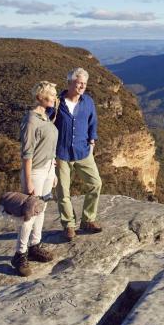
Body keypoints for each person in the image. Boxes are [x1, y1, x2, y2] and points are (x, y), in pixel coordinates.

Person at [50, 67, 102, 241]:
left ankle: (88, 220)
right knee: (63, 192)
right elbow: (46, 125)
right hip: (62, 153)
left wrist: (92, 142)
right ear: (69, 82)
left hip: (83, 151)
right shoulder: (57, 103)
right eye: (79, 83)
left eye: (84, 83)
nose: (82, 86)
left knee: (95, 184)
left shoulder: (88, 102)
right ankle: (69, 225)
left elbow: (92, 122)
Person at [12, 81, 58, 277]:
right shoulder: (31, 120)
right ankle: (20, 254)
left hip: (47, 169)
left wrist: (53, 171)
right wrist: (28, 179)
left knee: (42, 209)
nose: (55, 97)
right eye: (51, 95)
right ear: (40, 97)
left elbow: (50, 147)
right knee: (29, 214)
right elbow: (27, 152)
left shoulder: (45, 117)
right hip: (36, 172)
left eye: (55, 94)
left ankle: (35, 246)